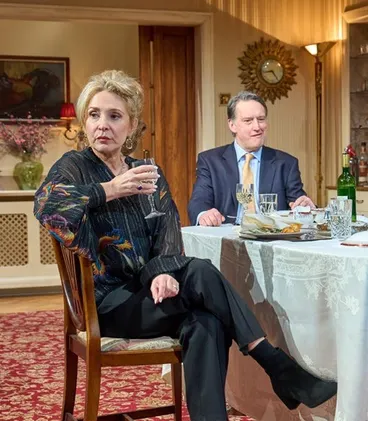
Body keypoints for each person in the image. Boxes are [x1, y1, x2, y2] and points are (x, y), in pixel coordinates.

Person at [35, 70, 337, 420]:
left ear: (131, 126)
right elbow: (46, 206)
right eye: (94, 114)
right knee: (200, 270)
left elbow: (167, 231)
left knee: (206, 322)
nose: (103, 124)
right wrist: (110, 189)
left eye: (114, 116)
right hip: (106, 304)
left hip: (149, 296)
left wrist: (161, 272)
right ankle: (276, 365)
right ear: (85, 122)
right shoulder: (74, 166)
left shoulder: (147, 172)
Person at [188, 91, 315, 226]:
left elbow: (299, 205)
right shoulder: (210, 161)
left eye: (261, 119)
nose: (257, 127)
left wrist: (306, 208)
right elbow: (199, 201)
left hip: (270, 235)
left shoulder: (286, 163)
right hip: (227, 233)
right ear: (232, 125)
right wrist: (204, 214)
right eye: (248, 121)